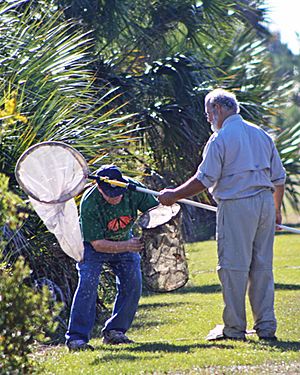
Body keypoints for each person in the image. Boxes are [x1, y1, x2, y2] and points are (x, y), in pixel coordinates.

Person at [158, 88, 286, 341]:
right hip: (264, 205)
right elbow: (279, 178)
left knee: (233, 267)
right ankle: (266, 327)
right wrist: (276, 210)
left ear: (218, 109)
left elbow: (205, 179)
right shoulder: (261, 134)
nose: (208, 119)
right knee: (262, 268)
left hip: (237, 205)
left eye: (208, 114)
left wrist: (173, 194)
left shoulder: (221, 138)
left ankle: (234, 329)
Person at [66, 165, 159, 351]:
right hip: (91, 246)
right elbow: (97, 244)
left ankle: (115, 332)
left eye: (118, 192)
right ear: (100, 188)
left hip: (124, 239)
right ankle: (77, 339)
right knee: (88, 284)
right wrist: (127, 246)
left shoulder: (134, 190)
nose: (116, 197)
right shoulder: (89, 202)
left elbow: (156, 212)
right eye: (110, 194)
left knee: (132, 283)